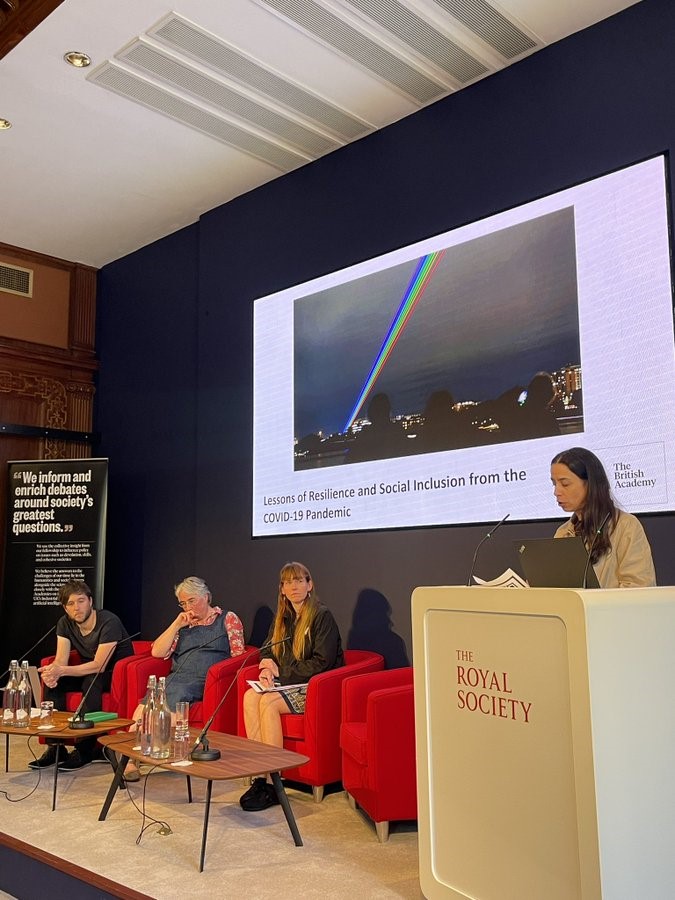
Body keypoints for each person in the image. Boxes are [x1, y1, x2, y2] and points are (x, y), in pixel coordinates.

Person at [240, 561, 344, 811]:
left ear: (310, 585)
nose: (294, 587)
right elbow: (267, 649)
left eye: (299, 581)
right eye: (288, 582)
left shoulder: (321, 615)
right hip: (288, 684)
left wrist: (281, 673)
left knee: (267, 703)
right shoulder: (283, 618)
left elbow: (322, 662)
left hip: (315, 688)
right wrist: (266, 667)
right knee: (249, 697)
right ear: (282, 589)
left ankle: (274, 783)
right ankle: (260, 778)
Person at [123, 575, 245, 781]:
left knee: (175, 692)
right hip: (178, 676)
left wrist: (221, 673)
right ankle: (131, 755)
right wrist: (175, 625)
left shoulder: (227, 618)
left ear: (206, 597)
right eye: (183, 603)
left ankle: (137, 750)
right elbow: (158, 653)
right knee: (154, 695)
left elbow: (239, 655)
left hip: (205, 678)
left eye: (192, 601)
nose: (188, 607)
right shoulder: (183, 625)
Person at [31, 579, 133, 771]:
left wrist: (62, 670)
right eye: (70, 603)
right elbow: (61, 660)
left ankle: (85, 749)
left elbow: (100, 665)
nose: (77, 608)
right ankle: (56, 747)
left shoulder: (109, 621)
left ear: (90, 601)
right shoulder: (64, 623)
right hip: (89, 668)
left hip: (115, 672)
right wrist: (53, 673)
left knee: (90, 681)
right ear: (65, 608)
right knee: (56, 683)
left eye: (81, 601)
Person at [551, 447, 656, 588]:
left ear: (590, 484)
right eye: (554, 483)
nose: (556, 492)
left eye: (565, 484)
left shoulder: (626, 526)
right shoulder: (563, 532)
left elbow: (639, 588)